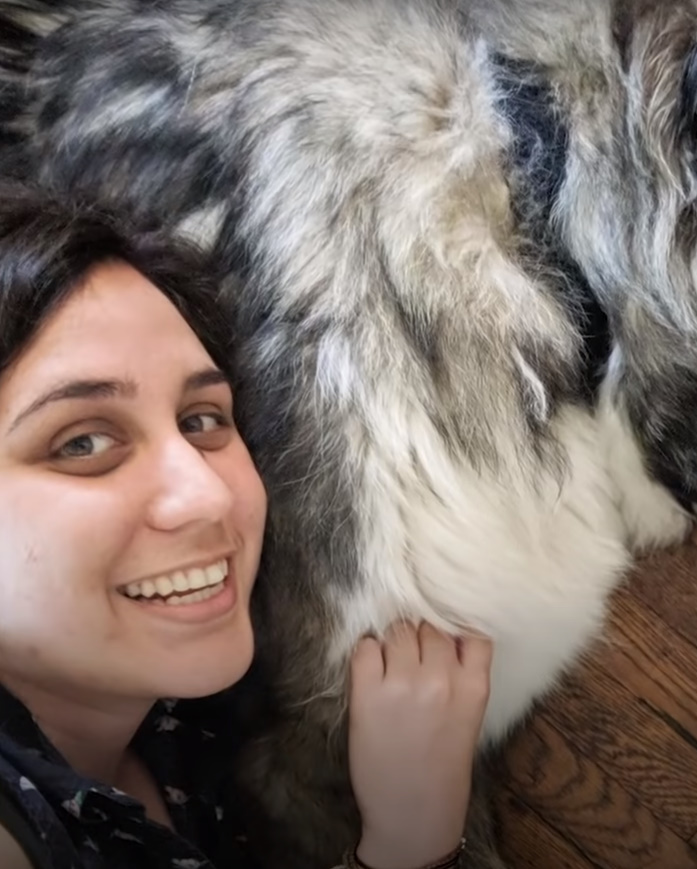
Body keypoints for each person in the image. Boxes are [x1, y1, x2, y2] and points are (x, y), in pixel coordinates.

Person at [0, 182, 493, 869]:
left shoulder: (176, 712)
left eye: (201, 419)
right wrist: (412, 839)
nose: (208, 495)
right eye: (81, 442)